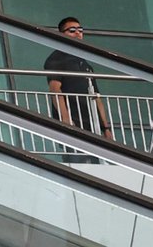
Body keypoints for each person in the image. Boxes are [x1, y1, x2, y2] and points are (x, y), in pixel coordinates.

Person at [44, 15, 115, 161]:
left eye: (80, 30)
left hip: (92, 124)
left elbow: (97, 97)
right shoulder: (56, 59)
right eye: (72, 30)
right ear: (61, 34)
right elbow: (55, 90)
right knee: (76, 162)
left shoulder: (85, 63)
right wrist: (66, 119)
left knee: (96, 164)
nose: (78, 33)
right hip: (73, 123)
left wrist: (106, 128)